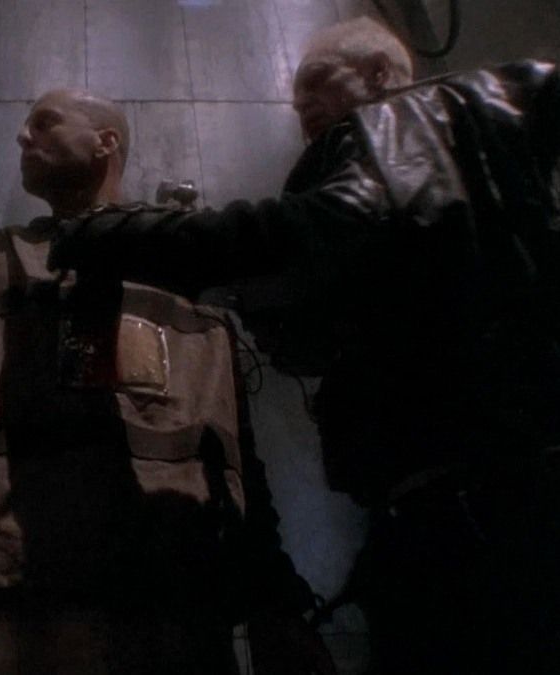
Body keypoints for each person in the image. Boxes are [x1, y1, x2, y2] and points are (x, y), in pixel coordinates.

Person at [49, 17, 560, 675]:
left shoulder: (401, 126)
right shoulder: (479, 149)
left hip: (469, 506)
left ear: (380, 74)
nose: (302, 109)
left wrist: (128, 236)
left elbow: (315, 232)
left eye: (317, 81)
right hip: (481, 490)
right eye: (295, 101)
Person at [0, 88, 333, 675]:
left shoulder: (189, 262)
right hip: (9, 587)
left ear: (106, 141)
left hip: (171, 590)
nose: (22, 136)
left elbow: (233, 447)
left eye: (45, 122)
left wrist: (272, 600)